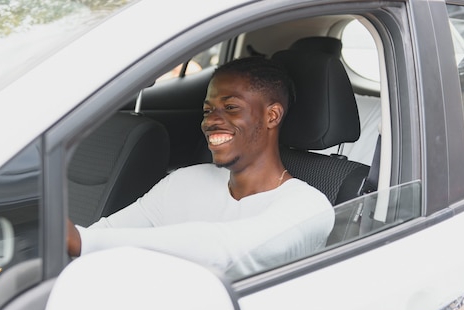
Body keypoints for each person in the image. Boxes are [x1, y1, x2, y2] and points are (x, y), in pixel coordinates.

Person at [67, 56, 334, 279]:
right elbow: (106, 234)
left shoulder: (308, 207)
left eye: (230, 107)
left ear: (272, 115)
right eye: (208, 111)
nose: (211, 122)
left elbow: (222, 252)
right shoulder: (186, 181)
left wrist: (83, 242)